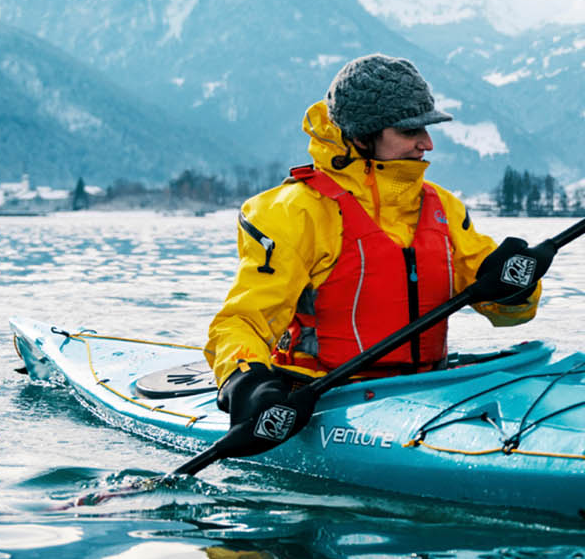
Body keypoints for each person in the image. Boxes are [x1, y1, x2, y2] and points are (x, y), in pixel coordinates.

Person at [206, 54, 551, 429]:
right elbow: (240, 322)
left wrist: (515, 289)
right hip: (324, 398)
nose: (427, 143)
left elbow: (511, 316)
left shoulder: (443, 208)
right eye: (409, 131)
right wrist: (246, 380)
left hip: (429, 391)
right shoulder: (298, 213)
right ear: (361, 136)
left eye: (427, 128)